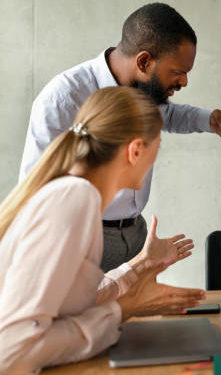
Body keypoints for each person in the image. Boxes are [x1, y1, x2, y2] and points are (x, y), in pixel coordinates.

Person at [19, 3, 221, 272]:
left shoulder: (145, 89)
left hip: (136, 233)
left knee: (142, 311)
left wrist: (208, 120)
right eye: (178, 72)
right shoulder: (63, 98)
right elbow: (38, 190)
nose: (184, 82)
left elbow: (164, 114)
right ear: (143, 61)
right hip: (84, 239)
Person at [0, 87, 205, 373]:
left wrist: (141, 265)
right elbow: (13, 348)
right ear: (135, 150)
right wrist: (125, 308)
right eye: (157, 146)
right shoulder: (74, 198)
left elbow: (65, 303)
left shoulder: (75, 194)